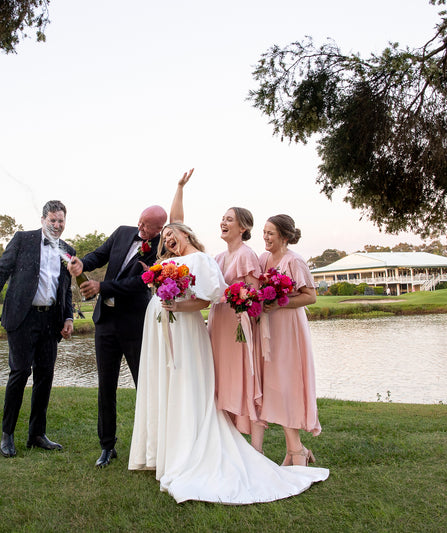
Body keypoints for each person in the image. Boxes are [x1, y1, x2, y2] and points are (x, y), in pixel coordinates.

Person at [128, 220, 328, 504]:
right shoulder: (173, 261)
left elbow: (208, 298)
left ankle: (199, 450)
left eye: (172, 233)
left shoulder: (201, 259)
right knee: (164, 386)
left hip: (184, 327)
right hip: (162, 330)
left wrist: (178, 305)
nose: (168, 238)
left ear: (186, 233)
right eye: (164, 236)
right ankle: (162, 450)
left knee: (188, 386)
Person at [169, 171, 265, 450]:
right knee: (221, 382)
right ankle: (230, 443)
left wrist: (240, 297)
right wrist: (180, 188)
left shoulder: (247, 255)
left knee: (244, 381)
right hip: (218, 326)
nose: (223, 222)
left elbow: (255, 298)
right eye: (223, 218)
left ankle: (255, 450)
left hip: (238, 329)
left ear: (243, 228)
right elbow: (177, 225)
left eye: (229, 219)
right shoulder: (218, 257)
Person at [67, 205, 168, 467]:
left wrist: (102, 286)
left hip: (135, 324)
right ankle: (107, 446)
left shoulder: (163, 249)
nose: (141, 227)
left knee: (143, 385)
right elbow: (98, 256)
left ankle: (152, 445)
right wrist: (81, 264)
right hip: (105, 323)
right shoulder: (123, 232)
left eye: (148, 226)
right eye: (141, 222)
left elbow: (139, 283)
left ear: (160, 228)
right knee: (106, 385)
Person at [0, 200, 75, 458]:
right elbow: (1, 272)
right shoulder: (23, 239)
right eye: (52, 220)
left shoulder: (68, 250)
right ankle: (7, 435)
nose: (56, 225)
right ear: (43, 219)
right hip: (22, 318)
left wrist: (69, 318)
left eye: (61, 221)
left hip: (50, 321)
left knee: (45, 376)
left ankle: (37, 434)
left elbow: (65, 289)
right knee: (19, 374)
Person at [258, 214, 322, 466]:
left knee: (288, 384)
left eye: (270, 233)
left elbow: (310, 297)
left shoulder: (295, 261)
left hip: (290, 328)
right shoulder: (263, 259)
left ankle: (296, 450)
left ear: (284, 236)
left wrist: (279, 302)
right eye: (264, 232)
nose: (265, 237)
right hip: (270, 328)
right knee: (275, 385)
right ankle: (294, 450)